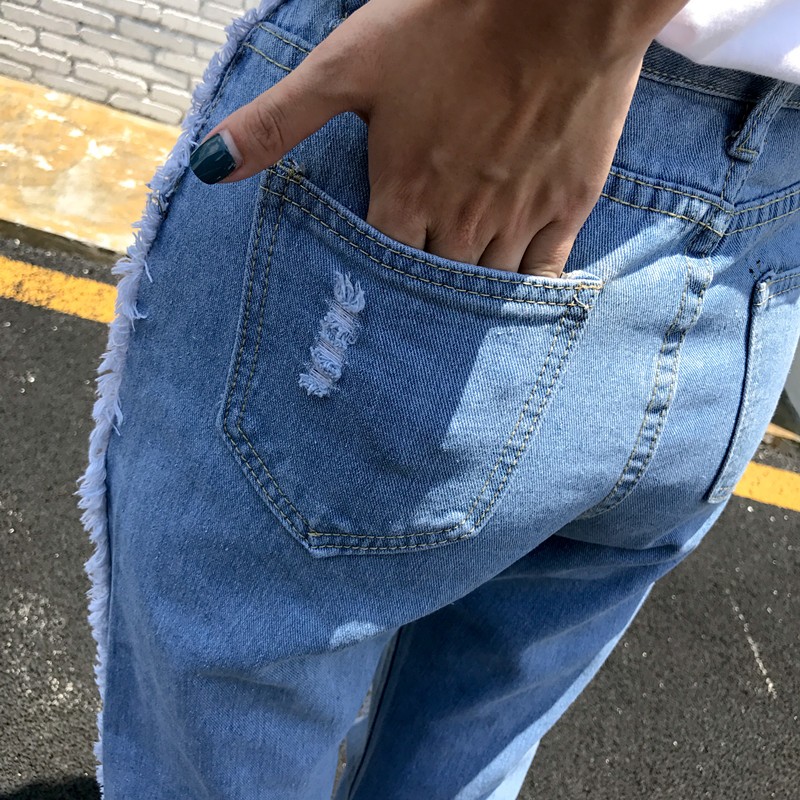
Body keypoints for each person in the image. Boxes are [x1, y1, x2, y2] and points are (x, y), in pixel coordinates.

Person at [76, 0, 800, 796]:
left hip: (507, 92)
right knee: (465, 759)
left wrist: (555, 35)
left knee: (226, 749)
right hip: (762, 246)